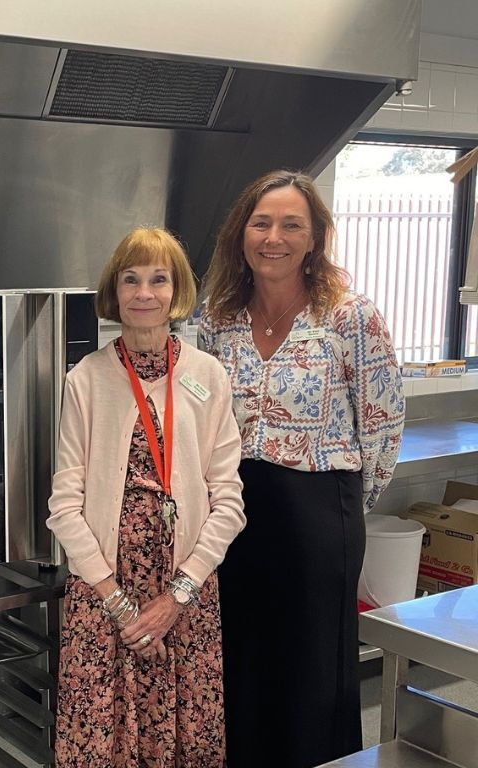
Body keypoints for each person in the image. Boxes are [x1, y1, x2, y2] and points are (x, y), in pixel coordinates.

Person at [200, 170, 405, 768]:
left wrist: (346, 509)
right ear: (241, 235)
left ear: (314, 239)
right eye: (261, 223)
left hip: (320, 510)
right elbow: (201, 417)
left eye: (292, 225)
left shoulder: (350, 318)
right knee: (243, 650)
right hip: (235, 509)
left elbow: (384, 421)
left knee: (313, 662)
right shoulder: (219, 319)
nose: (274, 237)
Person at [47, 227, 245, 767]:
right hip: (102, 589)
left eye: (159, 279)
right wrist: (120, 607)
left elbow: (229, 501)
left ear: (177, 290)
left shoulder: (208, 375)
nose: (144, 293)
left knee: (185, 738)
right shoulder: (85, 379)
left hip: (185, 591)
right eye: (130, 279)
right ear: (115, 291)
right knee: (101, 741)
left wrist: (174, 600)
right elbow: (64, 505)